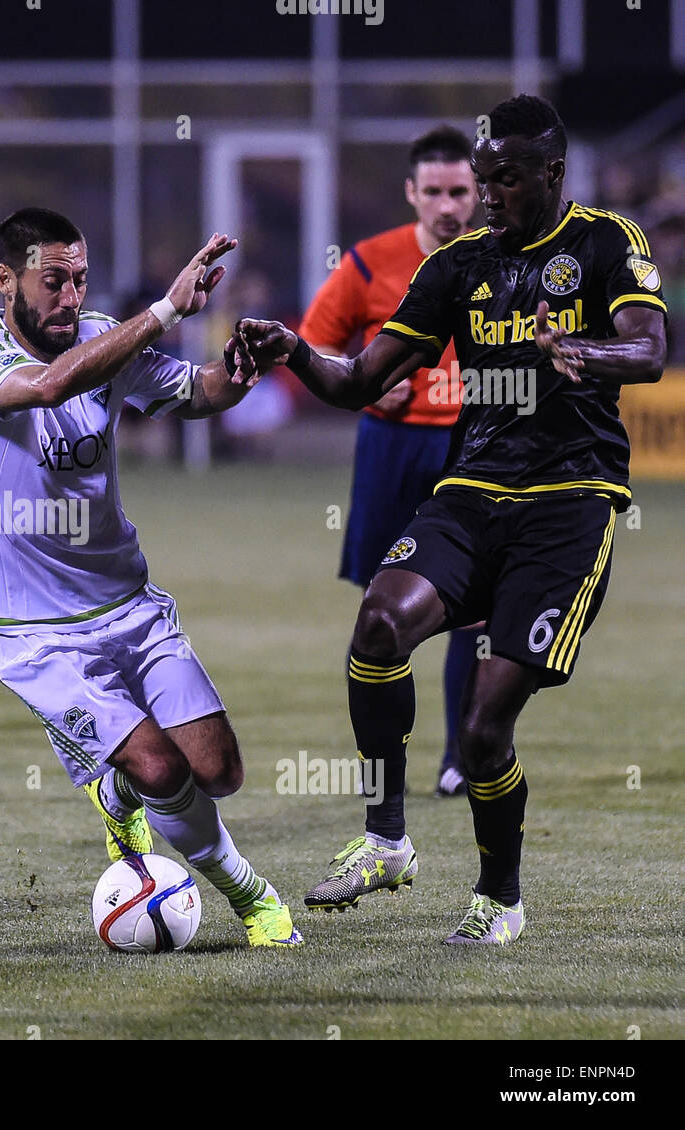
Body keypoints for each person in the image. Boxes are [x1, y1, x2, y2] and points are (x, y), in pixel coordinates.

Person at [237, 95, 666, 943]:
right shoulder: (458, 266)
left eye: (506, 180)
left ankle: (499, 898)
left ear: (553, 173)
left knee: (482, 729)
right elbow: (360, 380)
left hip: (570, 504)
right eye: (482, 180)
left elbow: (650, 349)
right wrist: (293, 350)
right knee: (378, 626)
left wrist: (582, 351)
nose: (488, 196)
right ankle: (386, 839)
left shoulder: (606, 242)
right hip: (470, 493)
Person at [0, 207, 302, 948]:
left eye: (80, 279)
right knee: (162, 769)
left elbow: (194, 393)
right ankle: (251, 895)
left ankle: (111, 788)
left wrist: (237, 372)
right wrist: (165, 309)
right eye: (53, 281)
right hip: (28, 629)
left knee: (219, 770)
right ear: (6, 281)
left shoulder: (104, 336)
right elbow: (49, 387)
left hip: (127, 603)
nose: (70, 297)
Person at [297, 126, 479, 800]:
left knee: (476, 612)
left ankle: (461, 758)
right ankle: (382, 766)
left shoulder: (499, 259)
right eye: (434, 191)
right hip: (392, 449)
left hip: (470, 446)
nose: (447, 205)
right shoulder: (372, 263)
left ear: (478, 193)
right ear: (411, 192)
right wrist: (364, 380)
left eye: (459, 190)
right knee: (383, 612)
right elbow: (314, 341)